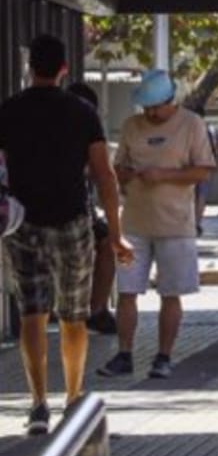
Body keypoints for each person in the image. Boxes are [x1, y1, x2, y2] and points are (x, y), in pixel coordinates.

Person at [0, 35, 132, 434]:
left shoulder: (8, 111)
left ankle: (38, 403)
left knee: (32, 314)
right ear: (63, 69)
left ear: (29, 68)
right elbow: (104, 175)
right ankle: (73, 397)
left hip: (23, 224)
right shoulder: (82, 112)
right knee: (74, 316)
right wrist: (116, 234)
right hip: (72, 223)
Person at [97, 69, 216, 380]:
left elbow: (204, 170)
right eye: (146, 107)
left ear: (170, 101)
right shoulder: (131, 126)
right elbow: (117, 166)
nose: (150, 113)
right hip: (134, 223)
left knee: (170, 293)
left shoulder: (192, 124)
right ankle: (124, 354)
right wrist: (124, 174)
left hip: (176, 224)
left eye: (155, 107)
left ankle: (164, 356)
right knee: (127, 291)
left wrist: (164, 176)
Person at [66, 82, 118, 336]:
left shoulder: (90, 133)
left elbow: (102, 175)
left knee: (106, 242)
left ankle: (97, 309)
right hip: (56, 212)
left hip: (83, 210)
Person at [186, 102, 218, 236]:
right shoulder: (210, 130)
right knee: (202, 195)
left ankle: (191, 223)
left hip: (189, 167)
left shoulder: (187, 130)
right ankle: (197, 223)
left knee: (190, 195)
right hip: (206, 166)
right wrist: (216, 164)